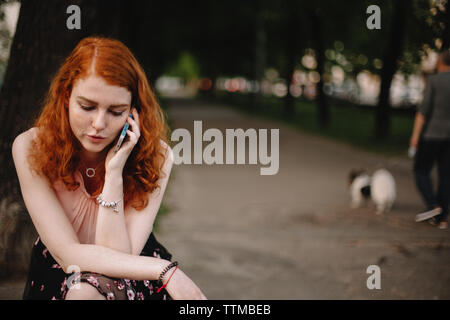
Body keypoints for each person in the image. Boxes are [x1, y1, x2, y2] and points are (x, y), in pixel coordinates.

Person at [12, 36, 207, 300]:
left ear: (134, 112)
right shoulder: (30, 147)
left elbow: (118, 261)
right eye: (87, 107)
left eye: (116, 111)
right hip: (62, 272)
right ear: (66, 96)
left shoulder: (157, 155)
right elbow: (67, 253)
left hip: (131, 272)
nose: (98, 124)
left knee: (86, 291)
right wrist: (165, 270)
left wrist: (114, 173)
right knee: (83, 292)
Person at [410, 50, 450, 230]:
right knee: (445, 175)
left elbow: (423, 111)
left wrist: (415, 136)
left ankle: (433, 205)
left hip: (433, 134)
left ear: (441, 62)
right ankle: (442, 218)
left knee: (420, 170)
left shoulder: (434, 81)